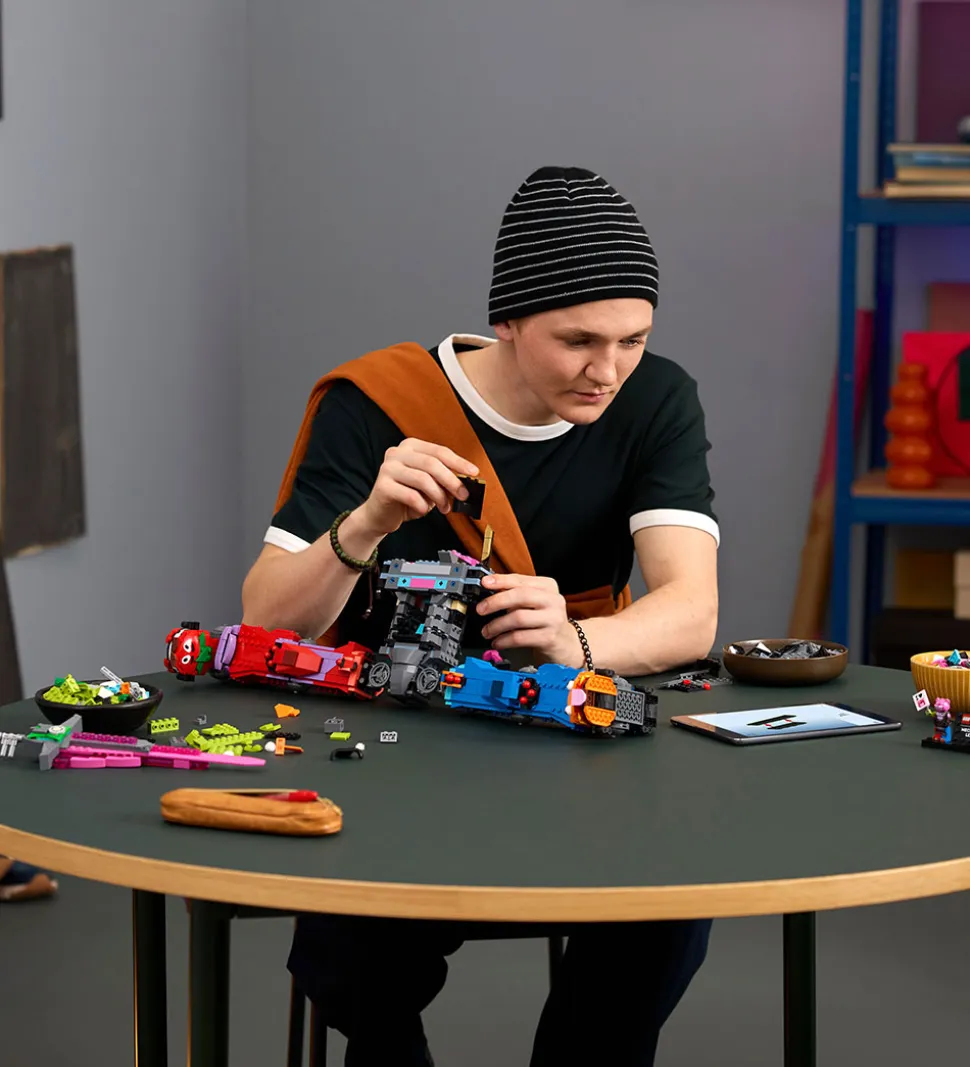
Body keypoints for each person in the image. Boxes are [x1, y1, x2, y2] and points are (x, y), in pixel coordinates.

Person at [242, 165, 719, 1066]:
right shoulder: (375, 403)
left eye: (633, 339)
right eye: (578, 340)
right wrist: (365, 522)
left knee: (666, 911)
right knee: (353, 950)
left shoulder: (656, 397)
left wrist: (575, 639)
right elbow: (269, 618)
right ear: (508, 319)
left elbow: (692, 612)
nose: (607, 371)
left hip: (577, 743)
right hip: (393, 748)